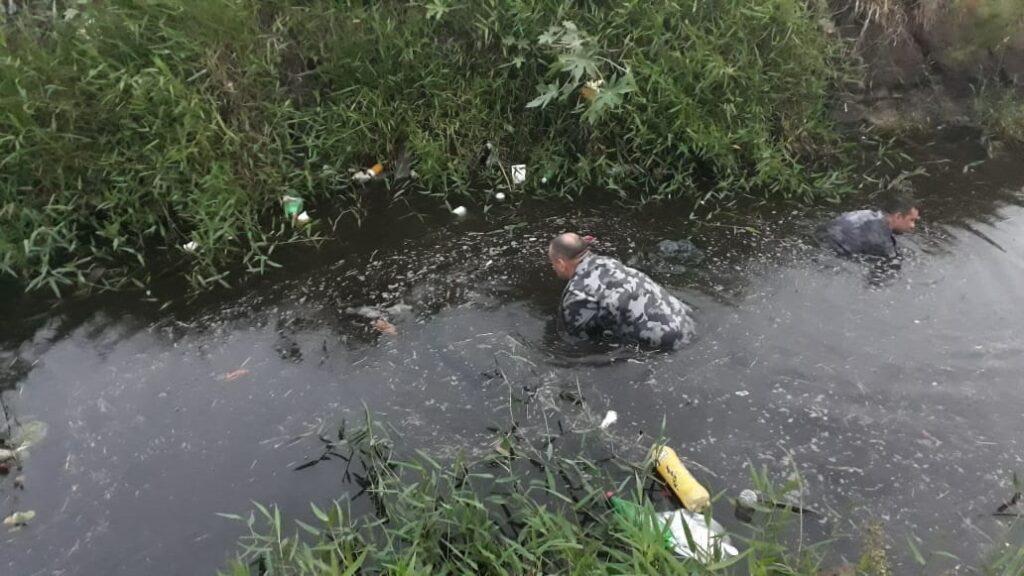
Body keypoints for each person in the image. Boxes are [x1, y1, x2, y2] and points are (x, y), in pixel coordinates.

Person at [548, 233, 696, 350]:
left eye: (553, 263)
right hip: (687, 321)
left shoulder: (577, 296)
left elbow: (578, 345)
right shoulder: (608, 262)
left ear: (561, 263)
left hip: (669, 344)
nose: (553, 268)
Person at [817, 189, 920, 259]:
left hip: (818, 237)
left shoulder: (866, 214)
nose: (913, 226)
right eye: (911, 220)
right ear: (898, 216)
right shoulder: (882, 240)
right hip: (829, 254)